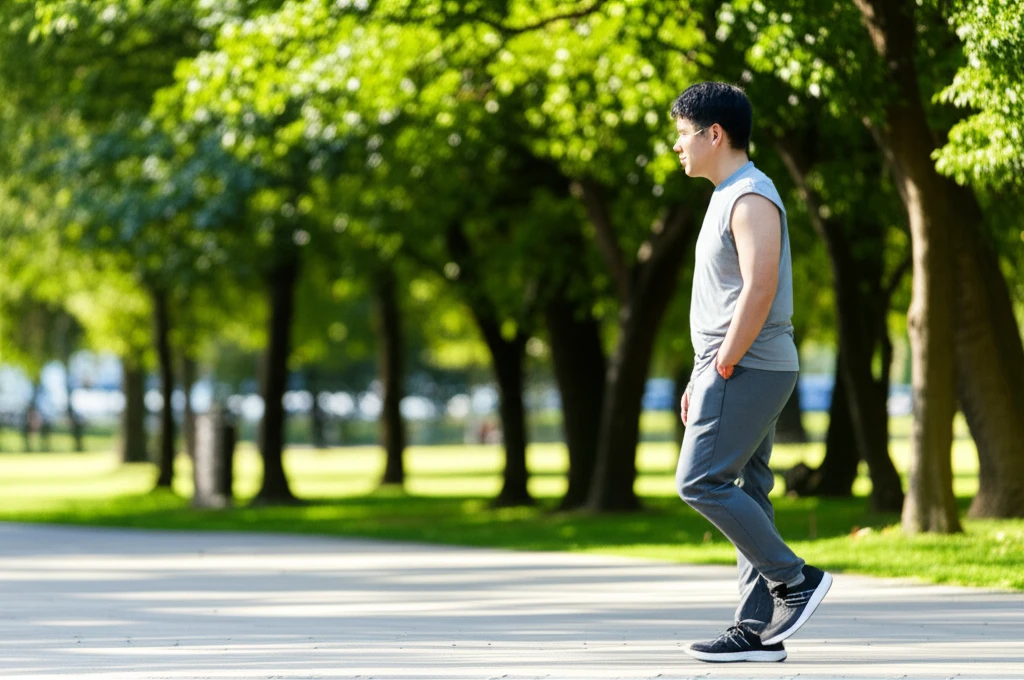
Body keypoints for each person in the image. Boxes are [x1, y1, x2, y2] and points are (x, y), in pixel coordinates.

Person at [671, 82, 831, 663]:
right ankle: (756, 632)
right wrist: (701, 374)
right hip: (734, 364)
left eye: (683, 134)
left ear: (715, 134)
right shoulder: (726, 194)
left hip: (748, 365)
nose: (678, 147)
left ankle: (795, 579)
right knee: (750, 491)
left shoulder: (750, 196)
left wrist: (724, 363)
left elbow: (759, 287)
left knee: (699, 481)